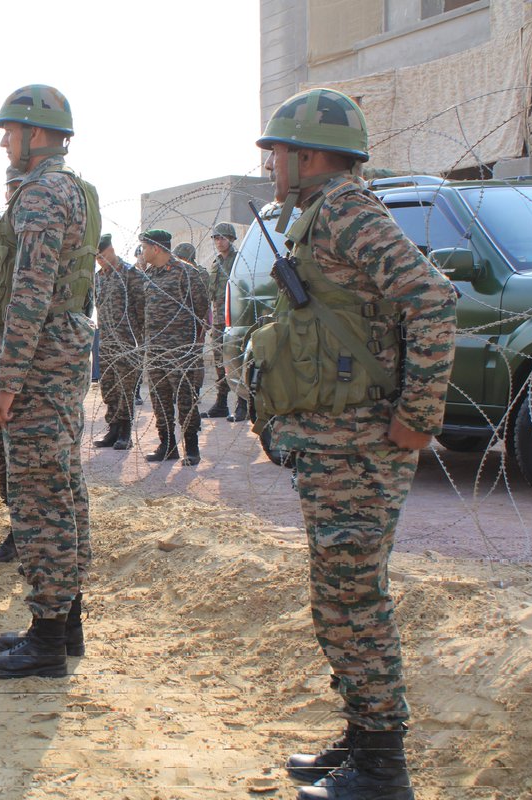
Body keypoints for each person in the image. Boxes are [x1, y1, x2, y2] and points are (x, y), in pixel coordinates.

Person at [254, 88, 456, 800]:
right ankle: (364, 736)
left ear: (308, 155)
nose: (270, 163)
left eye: (277, 151)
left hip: (362, 447)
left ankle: (382, 770)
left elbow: (432, 299)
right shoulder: (320, 215)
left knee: (353, 599)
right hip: (337, 444)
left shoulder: (345, 209)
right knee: (336, 596)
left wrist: (419, 416)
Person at [0, 85, 98, 679]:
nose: (2, 141)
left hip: (38, 362)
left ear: (38, 135)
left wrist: (7, 381)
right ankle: (63, 622)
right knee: (63, 487)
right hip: (56, 357)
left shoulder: (43, 193)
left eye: (10, 131)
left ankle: (48, 638)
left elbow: (29, 292)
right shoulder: (64, 188)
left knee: (39, 496)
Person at [141, 229, 209, 466]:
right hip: (155, 347)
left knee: (185, 398)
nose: (142, 252)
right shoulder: (149, 274)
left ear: (155, 248)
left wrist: (188, 339)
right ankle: (167, 445)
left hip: (180, 349)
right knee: (160, 398)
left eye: (144, 247)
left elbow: (201, 307)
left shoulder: (186, 273)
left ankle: (191, 447)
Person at [0, 166, 24, 565]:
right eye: (11, 189)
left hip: (20, 371)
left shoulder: (35, 239)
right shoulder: (1, 242)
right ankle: (15, 528)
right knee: (1, 458)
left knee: (22, 462)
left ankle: (23, 533)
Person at [92, 233, 146, 451]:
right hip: (105, 340)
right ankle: (112, 429)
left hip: (127, 340)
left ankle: (125, 432)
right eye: (97, 258)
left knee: (126, 387)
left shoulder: (130, 274)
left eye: (103, 256)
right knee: (109, 386)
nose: (101, 261)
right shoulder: (98, 277)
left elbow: (142, 308)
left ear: (112, 250)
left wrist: (141, 341)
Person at [201, 222, 241, 421]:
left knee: (237, 359)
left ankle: (242, 403)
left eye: (222, 238)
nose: (218, 241)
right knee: (219, 361)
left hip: (235, 318)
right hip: (218, 320)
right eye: (216, 238)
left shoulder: (239, 260)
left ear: (231, 239)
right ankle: (222, 403)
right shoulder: (216, 262)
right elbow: (210, 293)